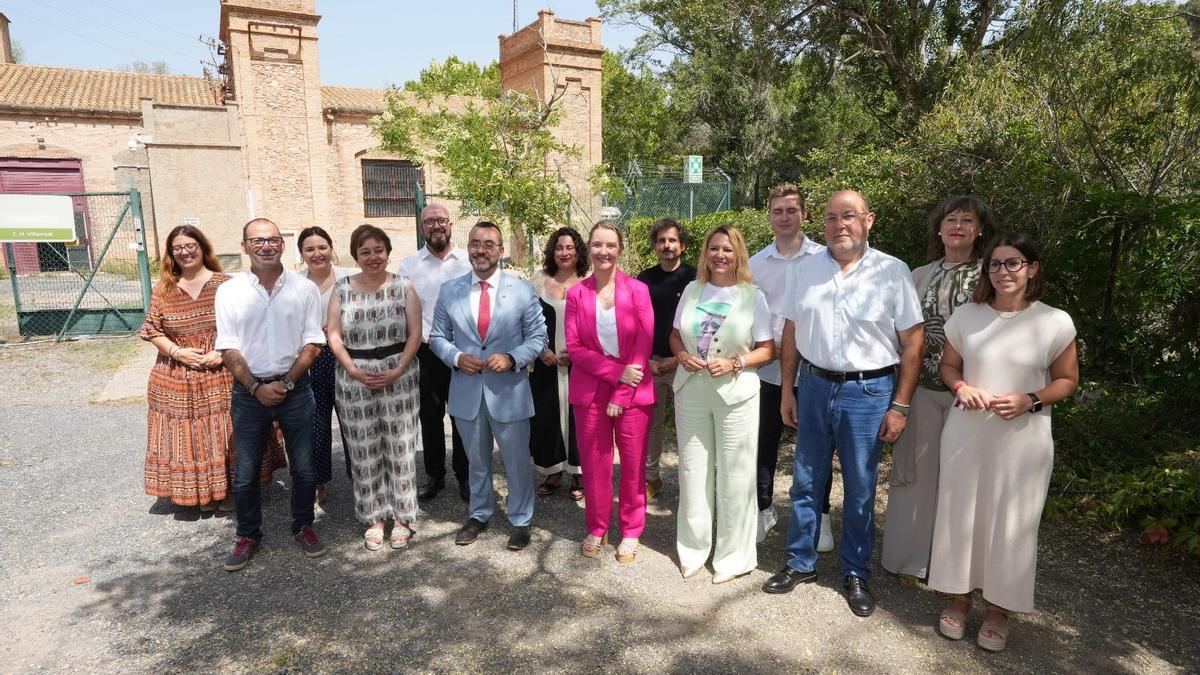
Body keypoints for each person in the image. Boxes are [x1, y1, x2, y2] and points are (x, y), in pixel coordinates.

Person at [764, 191, 924, 618]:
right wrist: (786, 390)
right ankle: (800, 562)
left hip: (869, 392)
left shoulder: (892, 271)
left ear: (868, 220)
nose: (840, 225)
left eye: (849, 216)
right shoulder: (809, 268)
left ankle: (856, 571)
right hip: (813, 385)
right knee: (805, 480)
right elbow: (793, 329)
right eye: (832, 218)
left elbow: (913, 343)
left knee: (860, 487)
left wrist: (901, 405)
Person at [929, 233, 1078, 652]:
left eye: (1013, 263)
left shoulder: (1054, 321)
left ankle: (999, 609)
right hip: (967, 432)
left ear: (1032, 269)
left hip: (1023, 439)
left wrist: (1030, 399)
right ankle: (958, 597)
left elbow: (1068, 381)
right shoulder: (968, 314)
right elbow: (948, 367)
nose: (1003, 272)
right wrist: (960, 387)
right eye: (995, 264)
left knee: (1012, 523)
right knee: (961, 515)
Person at [881, 195, 993, 584]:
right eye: (950, 219)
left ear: (980, 230)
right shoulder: (918, 274)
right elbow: (901, 336)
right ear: (938, 227)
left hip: (972, 394)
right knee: (915, 476)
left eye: (967, 219)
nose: (957, 225)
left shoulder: (991, 275)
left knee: (963, 481)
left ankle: (954, 570)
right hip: (921, 389)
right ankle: (908, 560)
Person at [140, 225, 284, 512]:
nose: (184, 252)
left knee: (225, 431)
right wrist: (178, 352)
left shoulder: (226, 284)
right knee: (190, 437)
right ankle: (201, 494)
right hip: (177, 377)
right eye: (177, 247)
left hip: (223, 372)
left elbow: (250, 323)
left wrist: (223, 353)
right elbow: (152, 330)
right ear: (171, 253)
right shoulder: (164, 289)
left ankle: (228, 491)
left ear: (202, 247)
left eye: (190, 245)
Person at [215, 218, 327, 571]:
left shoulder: (303, 289)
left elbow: (313, 342)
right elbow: (228, 347)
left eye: (273, 240)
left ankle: (304, 525)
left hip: (296, 390)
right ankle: (248, 534)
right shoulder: (230, 291)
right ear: (245, 245)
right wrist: (255, 387)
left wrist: (289, 383)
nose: (266, 246)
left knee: (305, 468)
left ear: (282, 244)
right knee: (246, 471)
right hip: (249, 393)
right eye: (257, 240)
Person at [430, 221, 548, 551]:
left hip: (509, 392)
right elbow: (437, 337)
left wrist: (512, 357)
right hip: (467, 390)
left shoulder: (522, 289)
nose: (481, 250)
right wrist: (455, 357)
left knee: (516, 461)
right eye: (475, 243)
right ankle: (479, 513)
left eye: (489, 244)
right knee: (476, 460)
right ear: (467, 246)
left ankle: (521, 519)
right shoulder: (450, 290)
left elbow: (539, 337)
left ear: (501, 251)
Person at [670, 226, 775, 583]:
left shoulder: (752, 296)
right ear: (705, 253)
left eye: (727, 250)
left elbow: (767, 348)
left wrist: (736, 362)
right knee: (693, 471)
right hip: (692, 390)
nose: (720, 255)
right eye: (714, 248)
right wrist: (681, 354)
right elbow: (673, 335)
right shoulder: (692, 290)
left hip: (736, 393)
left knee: (735, 475)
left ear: (738, 255)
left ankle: (733, 557)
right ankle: (693, 549)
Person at [326, 225, 423, 551]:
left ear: (388, 252)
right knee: (364, 449)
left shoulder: (404, 287)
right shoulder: (341, 289)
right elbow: (334, 335)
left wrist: (397, 369)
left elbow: (414, 333)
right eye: (365, 252)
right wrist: (352, 369)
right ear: (356, 255)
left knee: (400, 445)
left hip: (399, 375)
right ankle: (374, 517)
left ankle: (403, 516)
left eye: (378, 250)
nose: (373, 257)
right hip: (354, 378)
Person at [565, 222, 655, 563]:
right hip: (589, 392)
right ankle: (598, 525)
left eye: (611, 245)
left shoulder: (637, 290)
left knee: (633, 466)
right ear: (589, 248)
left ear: (619, 249)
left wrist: (622, 391)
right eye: (598, 244)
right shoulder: (576, 294)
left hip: (633, 393)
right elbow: (574, 348)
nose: (604, 251)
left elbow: (644, 342)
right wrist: (616, 372)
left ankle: (631, 530)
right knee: (594, 464)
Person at [747, 184, 828, 546]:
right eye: (777, 211)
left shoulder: (825, 259)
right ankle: (764, 509)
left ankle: (819, 514)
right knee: (763, 444)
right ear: (769, 217)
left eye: (791, 210)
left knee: (815, 447)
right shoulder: (755, 265)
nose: (784, 217)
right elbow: (745, 313)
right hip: (767, 371)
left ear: (804, 214)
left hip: (812, 371)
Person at [395, 203, 472, 503]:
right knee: (430, 416)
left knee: (463, 416)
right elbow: (401, 308)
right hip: (426, 353)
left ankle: (465, 476)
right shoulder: (410, 265)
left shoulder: (467, 261)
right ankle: (435, 475)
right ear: (422, 227)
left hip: (462, 352)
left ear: (451, 224)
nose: (436, 226)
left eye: (441, 220)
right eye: (429, 222)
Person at [636, 218, 696, 502]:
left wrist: (679, 357)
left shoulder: (696, 279)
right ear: (655, 246)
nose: (667, 245)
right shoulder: (643, 279)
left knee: (690, 424)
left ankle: (692, 482)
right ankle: (652, 478)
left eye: (672, 240)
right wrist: (645, 359)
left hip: (687, 362)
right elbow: (633, 323)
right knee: (653, 423)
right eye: (661, 241)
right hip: (652, 363)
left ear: (682, 245)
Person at [530, 227, 588, 499]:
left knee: (581, 417)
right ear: (552, 251)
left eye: (570, 247)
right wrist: (542, 350)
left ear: (578, 251)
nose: (564, 253)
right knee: (547, 417)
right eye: (559, 247)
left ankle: (579, 472)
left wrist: (580, 353)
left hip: (582, 364)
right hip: (546, 363)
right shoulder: (538, 280)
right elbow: (526, 320)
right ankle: (552, 471)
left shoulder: (590, 281)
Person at [297, 226, 353, 501]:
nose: (317, 254)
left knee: (352, 419)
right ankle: (319, 480)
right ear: (302, 254)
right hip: (312, 358)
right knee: (317, 422)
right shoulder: (295, 283)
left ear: (331, 248)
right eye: (310, 249)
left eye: (322, 247)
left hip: (346, 355)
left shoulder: (349, 279)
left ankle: (360, 476)